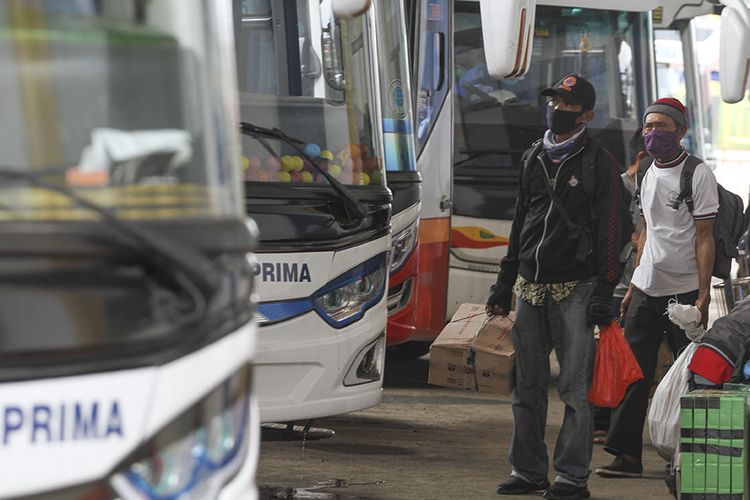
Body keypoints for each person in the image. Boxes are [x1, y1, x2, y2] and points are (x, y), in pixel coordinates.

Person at [487, 74, 625, 500]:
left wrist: (605, 290)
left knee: (574, 391)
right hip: (529, 287)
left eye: (566, 105)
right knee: (527, 389)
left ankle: (571, 477)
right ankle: (527, 471)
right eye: (554, 102)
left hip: (577, 290)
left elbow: (612, 231)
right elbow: (520, 222)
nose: (556, 109)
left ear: (586, 114)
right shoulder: (534, 156)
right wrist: (504, 280)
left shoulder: (599, 162)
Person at [596, 97, 718, 478]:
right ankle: (626, 455)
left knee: (689, 376)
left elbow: (704, 237)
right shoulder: (646, 168)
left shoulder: (698, 174)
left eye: (661, 126)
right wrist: (633, 284)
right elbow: (646, 231)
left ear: (681, 131)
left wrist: (701, 296)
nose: (652, 133)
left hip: (684, 290)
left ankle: (687, 459)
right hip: (648, 287)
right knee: (634, 372)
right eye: (648, 126)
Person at [593, 129, 647, 445]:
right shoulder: (618, 187)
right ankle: (601, 419)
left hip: (643, 285)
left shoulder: (659, 182)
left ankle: (615, 423)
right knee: (607, 352)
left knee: (632, 357)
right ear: (641, 157)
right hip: (617, 284)